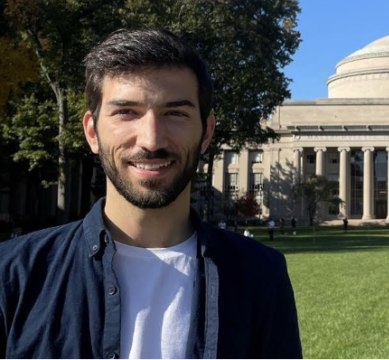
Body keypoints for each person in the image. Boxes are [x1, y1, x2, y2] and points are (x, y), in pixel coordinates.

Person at [0, 29, 302, 359]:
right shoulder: (14, 273)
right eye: (126, 112)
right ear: (92, 132)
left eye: (175, 113)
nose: (151, 140)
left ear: (206, 133)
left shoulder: (260, 276)